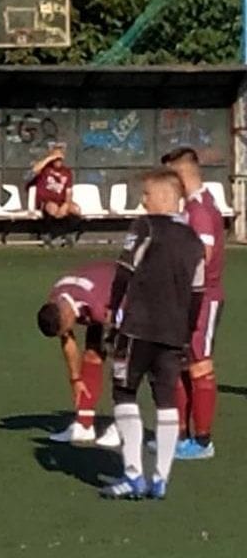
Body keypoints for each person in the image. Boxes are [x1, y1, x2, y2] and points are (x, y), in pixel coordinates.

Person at [99, 168, 205, 500]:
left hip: (138, 328)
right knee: (166, 400)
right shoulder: (194, 240)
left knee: (124, 391)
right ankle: (161, 479)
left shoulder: (144, 226)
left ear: (164, 196)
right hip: (174, 333)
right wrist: (187, 331)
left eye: (146, 194)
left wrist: (112, 309)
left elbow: (124, 271)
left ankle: (133, 474)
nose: (143, 201)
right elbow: (198, 293)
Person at [161, 147, 225, 460]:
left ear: (181, 173)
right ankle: (182, 436)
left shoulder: (200, 210)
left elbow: (202, 257)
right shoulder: (194, 206)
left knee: (200, 365)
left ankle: (202, 442)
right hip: (186, 299)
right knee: (182, 365)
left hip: (202, 299)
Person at [36, 262, 121, 448]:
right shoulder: (55, 301)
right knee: (91, 355)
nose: (67, 333)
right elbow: (67, 339)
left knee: (124, 362)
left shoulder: (98, 307)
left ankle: (125, 424)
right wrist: (75, 379)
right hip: (100, 292)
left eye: (65, 328)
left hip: (129, 295)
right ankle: (84, 425)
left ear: (67, 316)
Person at [27, 145, 81, 245]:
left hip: (62, 201)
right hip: (46, 201)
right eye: (56, 159)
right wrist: (50, 158)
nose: (58, 161)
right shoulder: (45, 169)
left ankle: (70, 232)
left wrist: (66, 204)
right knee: (53, 208)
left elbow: (69, 191)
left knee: (75, 209)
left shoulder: (67, 172)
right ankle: (54, 234)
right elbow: (34, 170)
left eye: (60, 159)